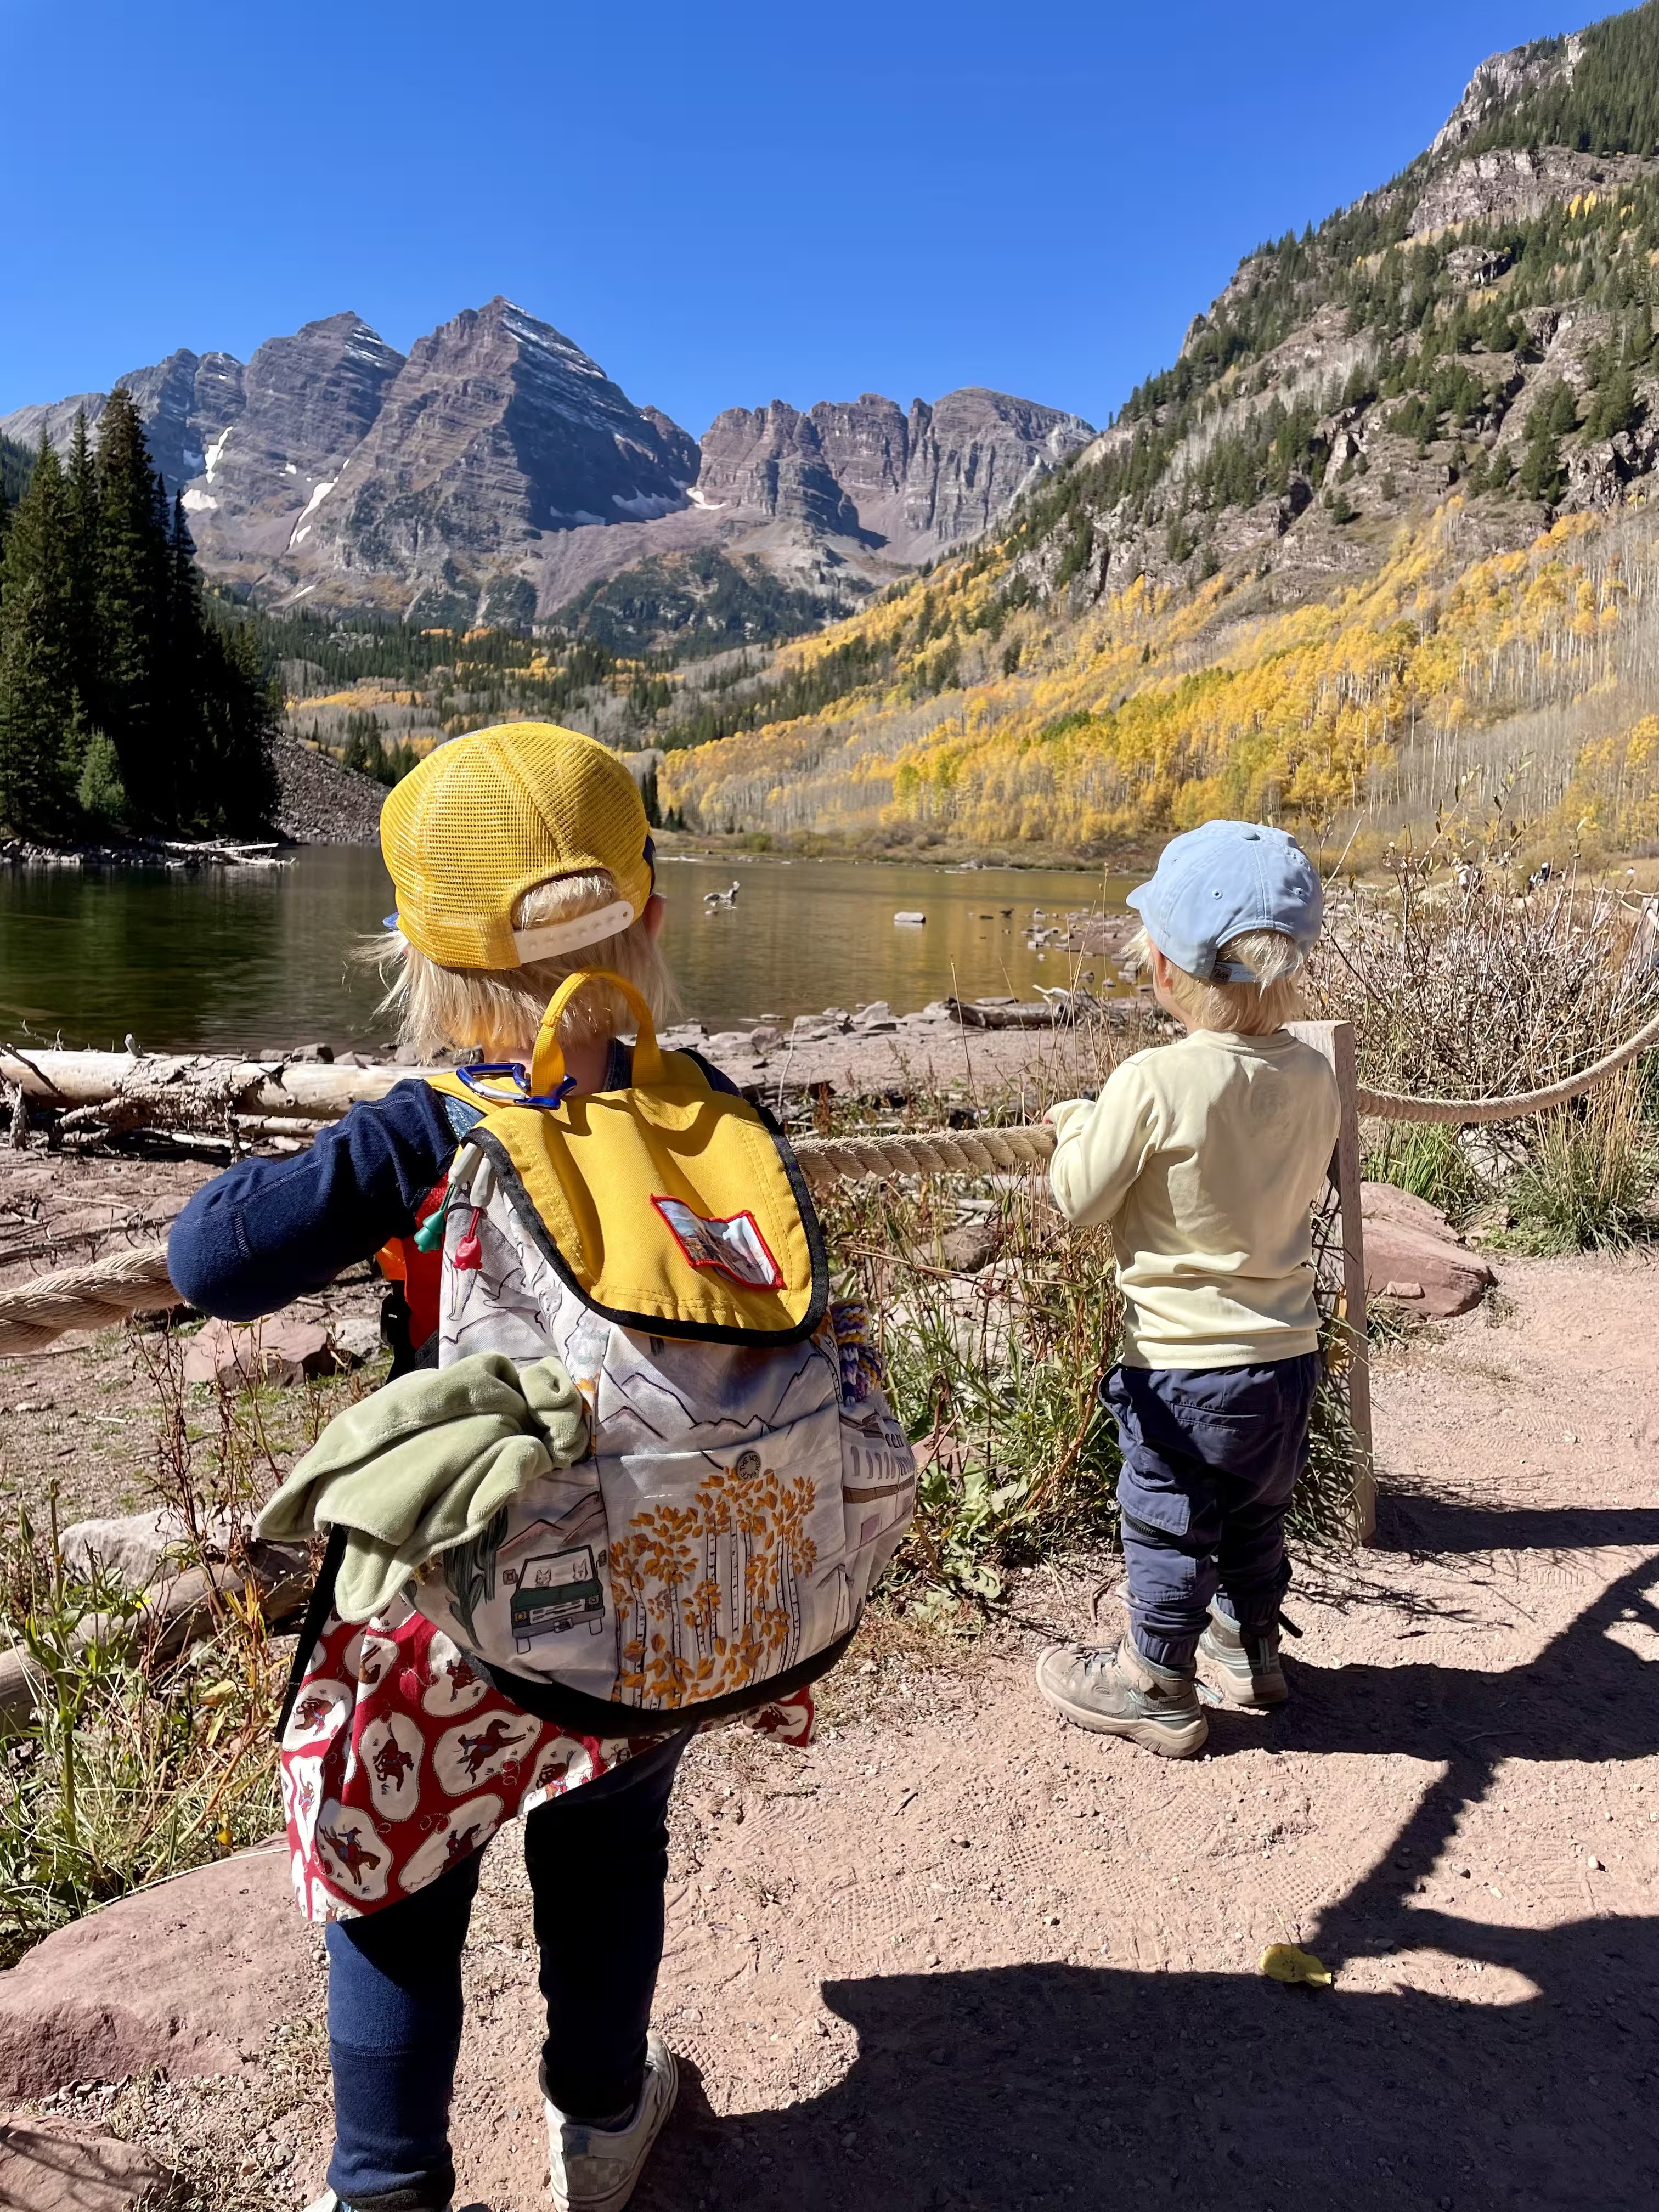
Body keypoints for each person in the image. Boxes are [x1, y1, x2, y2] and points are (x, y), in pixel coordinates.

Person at [168, 724, 719, 2212]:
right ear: (650, 922)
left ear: (418, 952)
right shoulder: (704, 1106)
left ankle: (389, 2184)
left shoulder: (430, 1124)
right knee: (609, 1857)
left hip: (455, 1586)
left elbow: (207, 1260)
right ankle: (605, 2122)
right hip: (656, 1573)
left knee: (398, 1883)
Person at [1033, 820, 1339, 1760]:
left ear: (1163, 967)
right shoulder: (1317, 1075)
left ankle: (1157, 1686)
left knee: (1166, 1524)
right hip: (1287, 1360)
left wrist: (1080, 1126)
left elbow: (1080, 1199)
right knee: (1256, 1515)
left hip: (1181, 1371)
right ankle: (1250, 1653)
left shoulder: (1152, 1079)